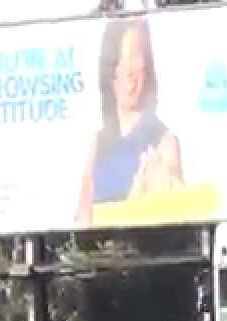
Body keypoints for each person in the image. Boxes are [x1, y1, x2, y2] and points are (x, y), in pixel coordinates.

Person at [75, 17, 184, 225]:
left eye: (136, 59)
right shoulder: (97, 143)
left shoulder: (164, 143)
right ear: (109, 72)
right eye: (120, 61)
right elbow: (82, 218)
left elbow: (178, 216)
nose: (129, 75)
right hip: (99, 253)